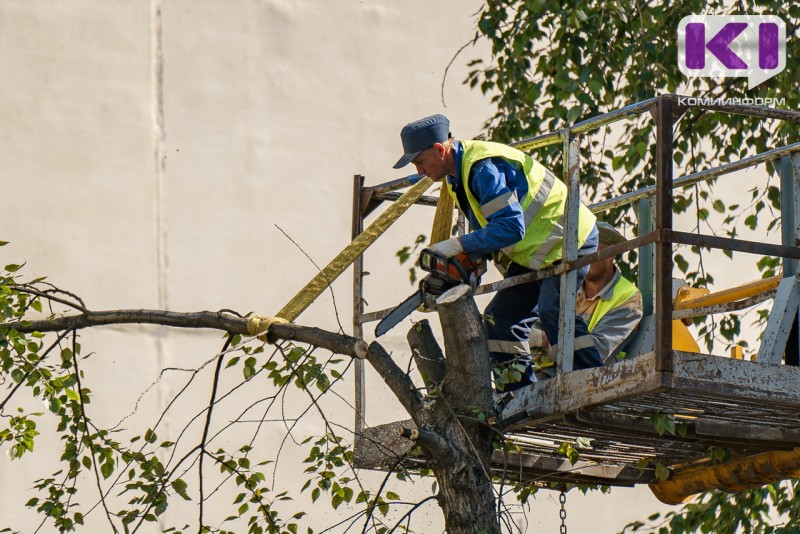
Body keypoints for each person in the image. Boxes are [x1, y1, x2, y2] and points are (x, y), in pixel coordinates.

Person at [393, 114, 601, 392]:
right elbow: (489, 230)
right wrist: (470, 263)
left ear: (440, 150)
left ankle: (593, 383)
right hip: (536, 253)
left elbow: (510, 228)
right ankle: (517, 396)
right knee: (499, 319)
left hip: (569, 238)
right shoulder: (456, 178)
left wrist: (460, 245)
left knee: (554, 308)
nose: (420, 171)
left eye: (420, 162)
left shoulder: (482, 168)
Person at [529, 221, 643, 374]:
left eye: (590, 248)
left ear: (610, 254)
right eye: (579, 250)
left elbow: (593, 353)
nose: (580, 257)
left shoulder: (628, 297)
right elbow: (530, 333)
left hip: (597, 380)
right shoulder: (569, 289)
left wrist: (542, 340)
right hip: (554, 374)